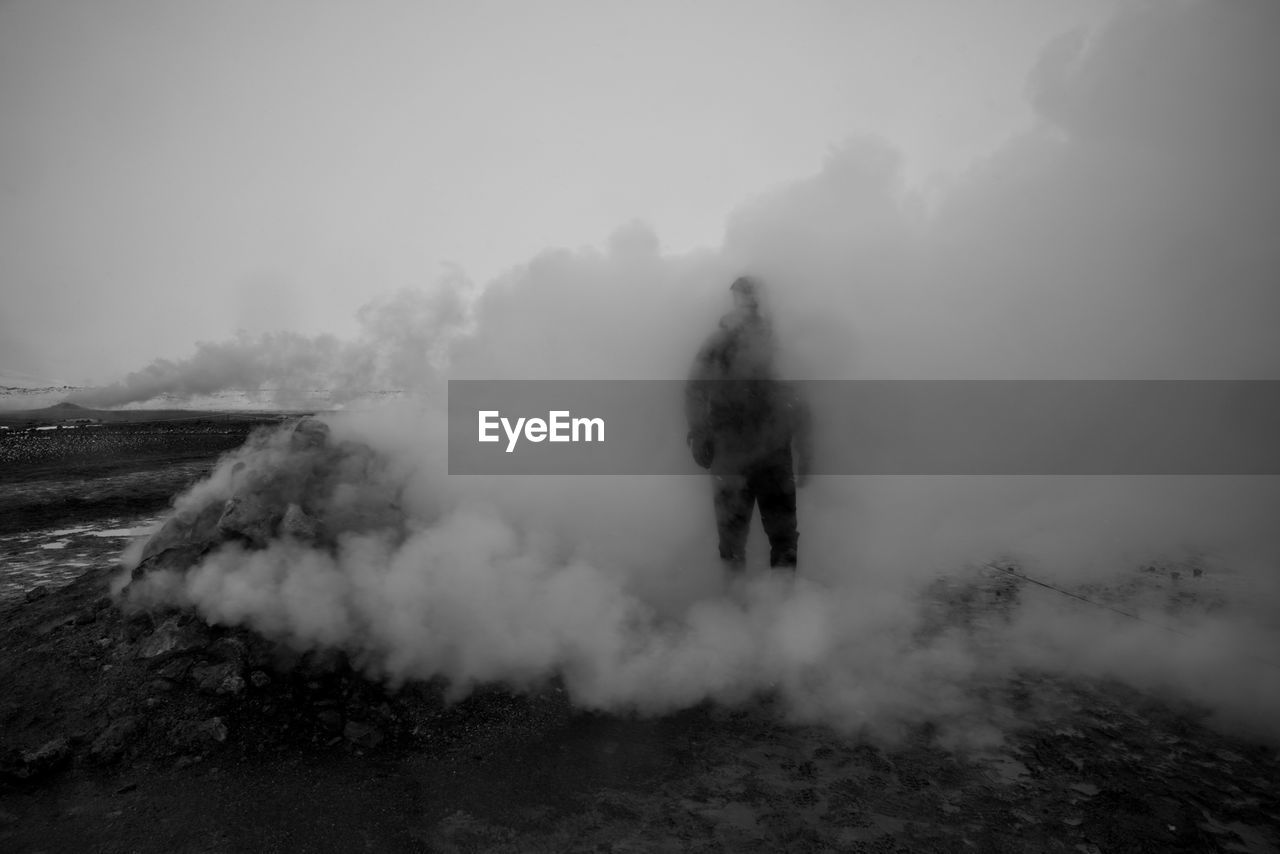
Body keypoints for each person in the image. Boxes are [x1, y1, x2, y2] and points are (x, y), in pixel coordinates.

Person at [685, 275, 812, 572]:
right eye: (743, 296)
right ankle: (734, 612)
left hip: (774, 454)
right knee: (732, 542)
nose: (749, 302)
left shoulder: (778, 344)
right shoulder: (718, 343)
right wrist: (700, 432)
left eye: (752, 296)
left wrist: (806, 450)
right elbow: (694, 388)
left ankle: (783, 610)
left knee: (783, 540)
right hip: (731, 453)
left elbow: (799, 399)